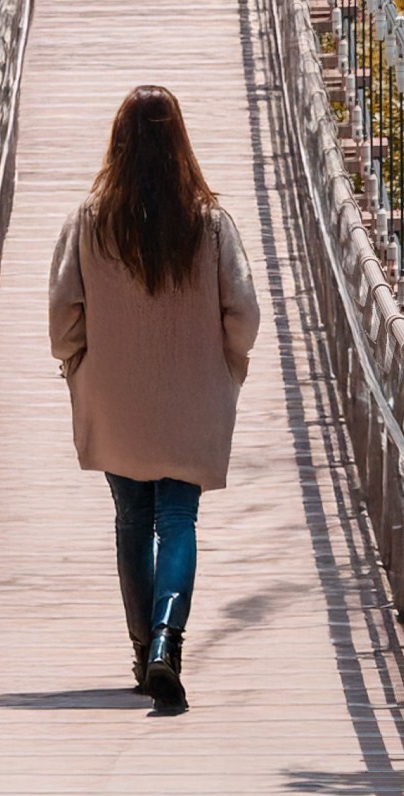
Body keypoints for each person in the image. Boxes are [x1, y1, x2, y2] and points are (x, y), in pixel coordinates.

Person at [47, 85, 261, 712]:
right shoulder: (210, 221)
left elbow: (64, 319)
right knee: (178, 520)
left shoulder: (88, 220)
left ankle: (143, 651)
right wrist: (226, 363)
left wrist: (79, 365)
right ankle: (169, 639)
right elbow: (243, 313)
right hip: (190, 393)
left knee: (133, 521)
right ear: (180, 143)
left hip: (116, 396)